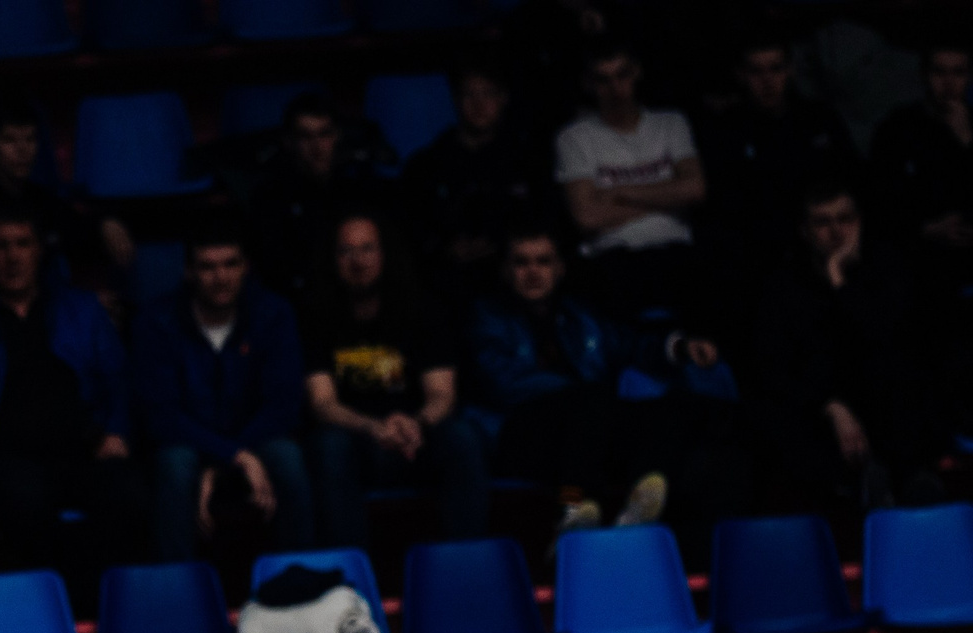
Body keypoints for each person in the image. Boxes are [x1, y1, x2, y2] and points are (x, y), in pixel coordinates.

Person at [466, 226, 735, 537]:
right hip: (520, 433)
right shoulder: (486, 317)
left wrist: (678, 348)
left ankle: (641, 496)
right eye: (521, 263)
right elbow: (502, 383)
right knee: (591, 402)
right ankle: (572, 505)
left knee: (676, 406)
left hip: (589, 428)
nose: (533, 272)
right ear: (505, 270)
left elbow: (630, 345)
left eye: (543, 262)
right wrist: (583, 395)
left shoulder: (580, 316)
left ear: (560, 269)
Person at [0, 212, 142, 568]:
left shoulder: (81, 309)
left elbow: (117, 380)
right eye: (1, 246)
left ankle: (112, 610)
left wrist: (116, 432)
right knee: (27, 502)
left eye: (22, 244)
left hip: (79, 452)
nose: (12, 256)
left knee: (128, 494)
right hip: (4, 461)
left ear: (39, 251)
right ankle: (58, 609)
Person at [753, 181, 946, 511]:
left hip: (881, 402)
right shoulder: (784, 287)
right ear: (805, 231)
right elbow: (778, 367)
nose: (837, 231)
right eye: (823, 222)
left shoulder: (887, 269)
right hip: (819, 409)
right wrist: (831, 406)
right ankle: (862, 485)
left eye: (845, 219)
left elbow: (885, 340)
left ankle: (909, 481)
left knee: (897, 373)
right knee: (777, 414)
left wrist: (839, 281)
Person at [302, 215, 488, 548]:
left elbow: (442, 393)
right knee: (328, 446)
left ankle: (465, 564)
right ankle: (350, 581)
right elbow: (322, 403)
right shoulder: (317, 315)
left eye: (367, 249)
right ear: (333, 260)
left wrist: (416, 423)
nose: (358, 260)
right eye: (346, 251)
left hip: (415, 438)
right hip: (358, 440)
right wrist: (373, 427)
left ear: (384, 255)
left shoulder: (423, 308)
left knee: (462, 436)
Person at [132, 221, 311, 557]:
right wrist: (235, 455)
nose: (221, 276)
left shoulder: (273, 314)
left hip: (255, 441)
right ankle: (178, 590)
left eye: (231, 264)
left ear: (246, 267)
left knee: (287, 457)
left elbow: (283, 406)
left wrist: (224, 462)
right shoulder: (156, 322)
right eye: (208, 267)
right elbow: (161, 416)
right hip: (192, 446)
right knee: (175, 462)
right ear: (188, 272)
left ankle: (300, 584)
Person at [555, 38, 707, 318]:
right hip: (613, 259)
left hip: (678, 251)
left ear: (637, 73)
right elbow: (586, 217)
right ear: (589, 84)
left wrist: (618, 193)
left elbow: (696, 189)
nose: (615, 88)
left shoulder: (670, 123)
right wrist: (668, 196)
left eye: (622, 75)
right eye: (604, 80)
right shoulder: (574, 137)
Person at [696, 32, 859, 282]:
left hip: (823, 238)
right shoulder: (726, 131)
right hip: (758, 253)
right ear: (741, 75)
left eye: (776, 68)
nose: (767, 80)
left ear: (790, 70)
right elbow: (724, 204)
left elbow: (851, 179)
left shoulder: (819, 119)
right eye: (756, 71)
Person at [0, 93, 134, 296]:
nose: (23, 150)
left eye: (30, 139)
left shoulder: (36, 196)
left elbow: (75, 230)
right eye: (10, 140)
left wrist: (104, 223)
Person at [867, 34, 973, 304]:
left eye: (958, 72)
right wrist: (925, 229)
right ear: (924, 74)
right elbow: (879, 200)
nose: (948, 84)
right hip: (918, 258)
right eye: (939, 72)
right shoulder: (897, 129)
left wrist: (968, 142)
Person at [401, 59, 552, 302]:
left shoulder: (528, 161)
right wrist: (444, 250)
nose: (479, 104)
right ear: (455, 99)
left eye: (488, 93)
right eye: (469, 94)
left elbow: (544, 218)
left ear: (504, 98)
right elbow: (412, 227)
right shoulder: (427, 164)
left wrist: (504, 243)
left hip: (516, 280)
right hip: (447, 281)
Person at [248, 90, 388, 305]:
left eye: (325, 134)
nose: (317, 146)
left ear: (337, 136)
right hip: (299, 305)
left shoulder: (359, 189)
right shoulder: (271, 197)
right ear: (289, 141)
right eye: (305, 136)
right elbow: (274, 270)